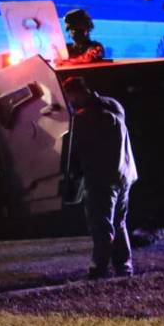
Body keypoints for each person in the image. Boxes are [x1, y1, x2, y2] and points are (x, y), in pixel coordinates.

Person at [62, 76, 137, 279]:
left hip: (102, 177)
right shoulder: (114, 105)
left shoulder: (85, 118)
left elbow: (74, 147)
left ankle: (99, 269)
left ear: (76, 93)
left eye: (70, 97)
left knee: (101, 224)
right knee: (120, 222)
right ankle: (124, 267)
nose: (70, 102)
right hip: (125, 173)